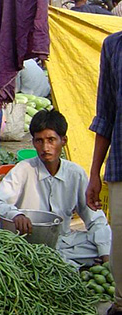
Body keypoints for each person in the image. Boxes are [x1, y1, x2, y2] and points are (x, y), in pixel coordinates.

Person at [0, 110, 111, 266]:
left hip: (64, 242)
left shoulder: (75, 173)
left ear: (64, 141)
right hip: (29, 244)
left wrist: (106, 255)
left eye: (51, 140)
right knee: (18, 255)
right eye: (39, 141)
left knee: (109, 241)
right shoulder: (24, 169)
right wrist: (15, 214)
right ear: (33, 143)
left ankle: (65, 261)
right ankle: (63, 263)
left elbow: (95, 220)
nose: (45, 147)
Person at [87, 31, 122, 315]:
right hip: (120, 165)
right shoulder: (113, 46)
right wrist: (94, 173)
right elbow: (105, 115)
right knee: (120, 244)